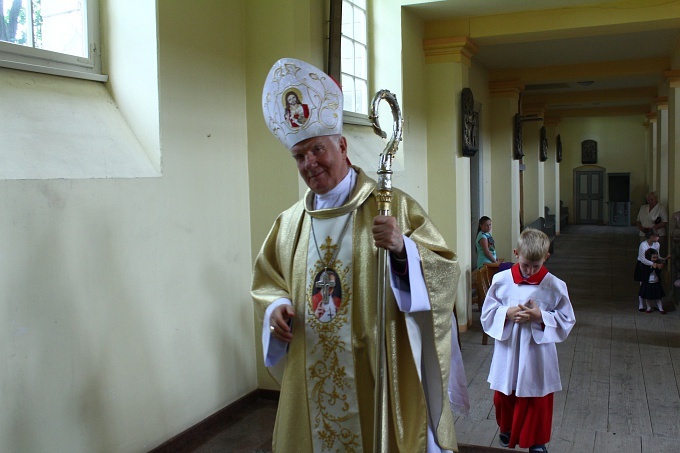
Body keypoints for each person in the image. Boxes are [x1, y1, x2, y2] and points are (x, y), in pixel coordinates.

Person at [253, 58, 469, 453]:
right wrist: (277, 306)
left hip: (376, 371)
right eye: (299, 156)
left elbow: (444, 269)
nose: (309, 164)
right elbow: (269, 280)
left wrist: (404, 250)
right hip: (312, 370)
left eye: (317, 149)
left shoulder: (390, 208)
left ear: (342, 145)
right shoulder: (289, 224)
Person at [480, 228, 575, 453]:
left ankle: (537, 442)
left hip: (536, 352)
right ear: (516, 253)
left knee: (537, 397)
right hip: (509, 348)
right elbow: (488, 312)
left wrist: (540, 316)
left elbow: (566, 319)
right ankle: (507, 428)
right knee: (504, 395)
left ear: (546, 258)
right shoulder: (502, 280)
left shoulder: (554, 285)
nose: (530, 271)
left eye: (536, 266)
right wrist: (507, 313)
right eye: (525, 265)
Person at [639, 248, 666, 314]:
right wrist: (652, 268)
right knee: (648, 297)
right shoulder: (644, 264)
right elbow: (645, 273)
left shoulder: (657, 263)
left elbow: (658, 272)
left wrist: (658, 268)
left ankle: (661, 308)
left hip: (655, 281)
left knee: (658, 297)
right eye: (653, 257)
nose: (655, 259)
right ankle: (649, 308)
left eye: (656, 257)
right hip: (648, 282)